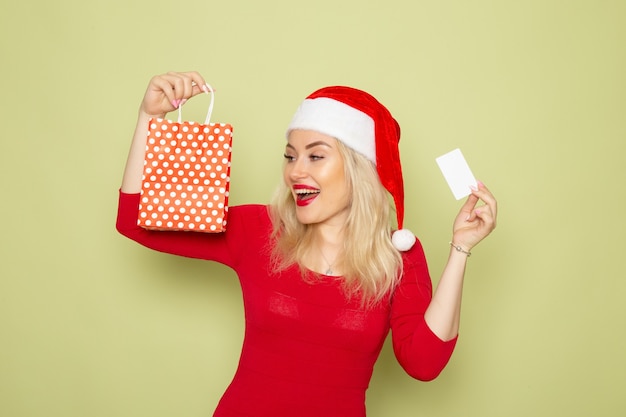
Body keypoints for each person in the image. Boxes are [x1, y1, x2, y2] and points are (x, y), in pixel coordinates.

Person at [116, 71, 497, 417]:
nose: (296, 170)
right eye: (290, 156)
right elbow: (136, 223)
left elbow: (424, 363)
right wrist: (150, 118)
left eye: (316, 156)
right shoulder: (260, 229)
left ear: (360, 168)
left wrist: (460, 250)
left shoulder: (398, 255)